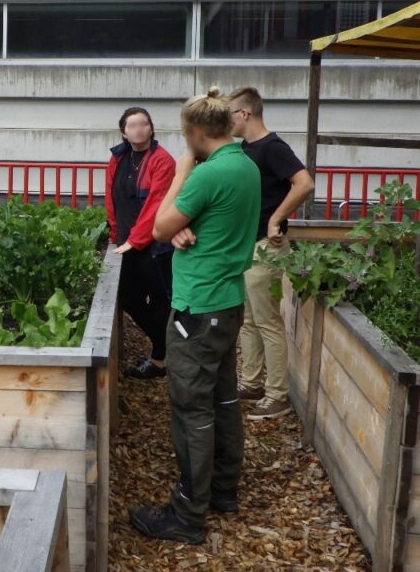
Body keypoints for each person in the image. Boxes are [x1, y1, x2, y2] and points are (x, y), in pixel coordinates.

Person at [129, 87, 260, 545]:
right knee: (223, 399)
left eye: (187, 136)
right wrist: (188, 225)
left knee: (191, 408)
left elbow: (158, 225)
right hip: (227, 303)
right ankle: (222, 489)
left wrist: (183, 169)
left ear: (197, 132)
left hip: (197, 309)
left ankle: (187, 513)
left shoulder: (205, 173)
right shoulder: (245, 165)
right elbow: (199, 222)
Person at [229, 87, 315, 420]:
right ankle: (251, 383)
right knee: (249, 319)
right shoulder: (246, 149)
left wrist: (277, 218)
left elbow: (305, 183)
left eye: (230, 114)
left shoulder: (272, 148)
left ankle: (277, 395)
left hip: (267, 248)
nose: (228, 122)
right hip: (248, 246)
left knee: (267, 321)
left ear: (245, 113)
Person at [105, 106, 176, 379]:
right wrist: (116, 234)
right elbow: (113, 198)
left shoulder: (162, 160)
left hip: (154, 244)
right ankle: (165, 346)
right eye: (133, 125)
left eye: (144, 124)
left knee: (160, 299)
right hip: (126, 241)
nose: (139, 129)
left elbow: (156, 205)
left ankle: (159, 359)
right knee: (129, 297)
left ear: (151, 128)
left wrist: (136, 240)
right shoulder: (118, 158)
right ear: (124, 131)